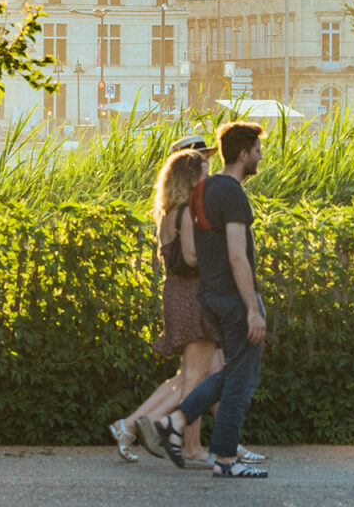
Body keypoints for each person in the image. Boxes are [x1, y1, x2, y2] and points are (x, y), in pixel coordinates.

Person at [108, 135, 266, 468]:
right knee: (195, 378)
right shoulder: (186, 211)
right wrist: (223, 255)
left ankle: (205, 443)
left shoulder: (168, 210)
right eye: (203, 164)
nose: (209, 171)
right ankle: (151, 429)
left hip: (179, 292)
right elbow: (193, 257)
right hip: (192, 294)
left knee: (204, 374)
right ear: (189, 172)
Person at [154, 122, 269, 479]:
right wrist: (252, 308)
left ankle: (174, 420)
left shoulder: (202, 190)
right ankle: (224, 460)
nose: (260, 156)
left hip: (210, 297)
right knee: (241, 379)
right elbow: (238, 256)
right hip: (235, 299)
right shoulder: (233, 194)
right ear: (242, 154)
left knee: (231, 370)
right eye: (257, 150)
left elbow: (199, 252)